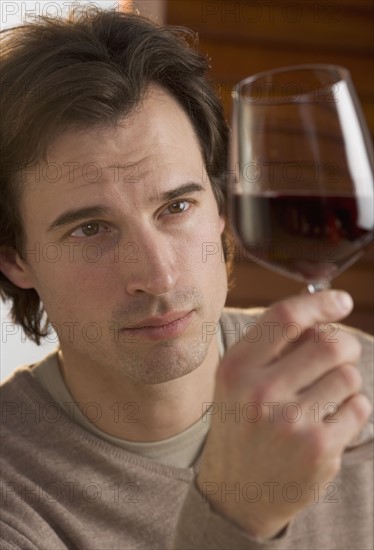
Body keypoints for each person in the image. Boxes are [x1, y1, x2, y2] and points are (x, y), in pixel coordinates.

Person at [0, 7, 372, 550]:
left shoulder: (359, 379)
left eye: (176, 206)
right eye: (90, 229)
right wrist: (233, 516)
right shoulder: (16, 501)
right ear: (15, 260)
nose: (158, 274)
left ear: (222, 207)